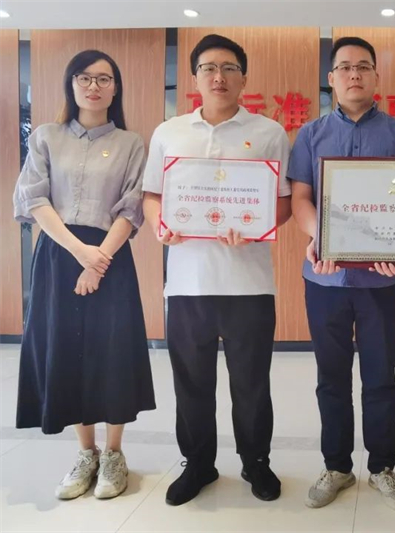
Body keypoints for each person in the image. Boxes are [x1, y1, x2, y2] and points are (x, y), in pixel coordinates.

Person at [141, 34, 292, 506]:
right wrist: (160, 226)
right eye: (208, 67)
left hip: (250, 283)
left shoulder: (269, 132)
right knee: (191, 383)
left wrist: (258, 225)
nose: (219, 76)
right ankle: (198, 464)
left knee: (252, 384)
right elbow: (152, 195)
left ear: (243, 77)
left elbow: (283, 201)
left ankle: (256, 461)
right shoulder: (169, 132)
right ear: (194, 78)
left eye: (229, 68)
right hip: (187, 283)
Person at [14, 49, 155, 500]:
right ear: (71, 84)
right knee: (66, 347)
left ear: (116, 88)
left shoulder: (131, 143)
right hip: (58, 254)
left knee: (111, 351)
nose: (94, 86)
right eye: (84, 77)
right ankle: (86, 452)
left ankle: (114, 453)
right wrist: (80, 254)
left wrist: (98, 261)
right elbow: (34, 198)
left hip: (110, 255)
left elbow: (131, 208)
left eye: (104, 79)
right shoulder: (46, 136)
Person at [288, 36, 395, 511]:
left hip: (381, 281)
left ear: (376, 76)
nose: (354, 74)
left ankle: (382, 467)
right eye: (344, 67)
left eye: (363, 66)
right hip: (324, 278)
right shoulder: (310, 135)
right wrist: (319, 236)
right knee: (331, 376)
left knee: (381, 375)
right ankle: (337, 466)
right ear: (331, 79)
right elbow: (301, 198)